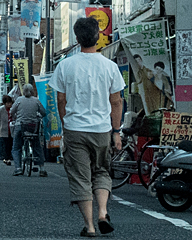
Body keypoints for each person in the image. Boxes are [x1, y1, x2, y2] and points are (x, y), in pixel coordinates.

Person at [49, 16, 124, 238]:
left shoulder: (65, 65)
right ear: (98, 36)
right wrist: (116, 131)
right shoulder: (110, 66)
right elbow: (117, 101)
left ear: (76, 38)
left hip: (75, 128)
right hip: (101, 129)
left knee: (81, 176)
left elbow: (60, 100)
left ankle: (89, 226)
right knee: (101, 171)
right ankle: (103, 213)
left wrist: (65, 122)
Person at [11, 84, 47, 177]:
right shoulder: (36, 101)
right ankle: (42, 169)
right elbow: (43, 112)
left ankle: (18, 168)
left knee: (16, 147)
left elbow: (11, 111)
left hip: (20, 125)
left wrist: (16, 117)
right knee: (37, 145)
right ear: (32, 91)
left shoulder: (19, 100)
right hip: (33, 126)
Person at [0, 95, 14, 165]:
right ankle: (5, 158)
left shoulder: (13, 109)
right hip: (3, 129)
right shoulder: (1, 109)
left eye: (10, 103)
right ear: (4, 103)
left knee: (9, 145)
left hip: (11, 129)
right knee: (4, 145)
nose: (9, 104)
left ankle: (8, 157)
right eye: (8, 103)